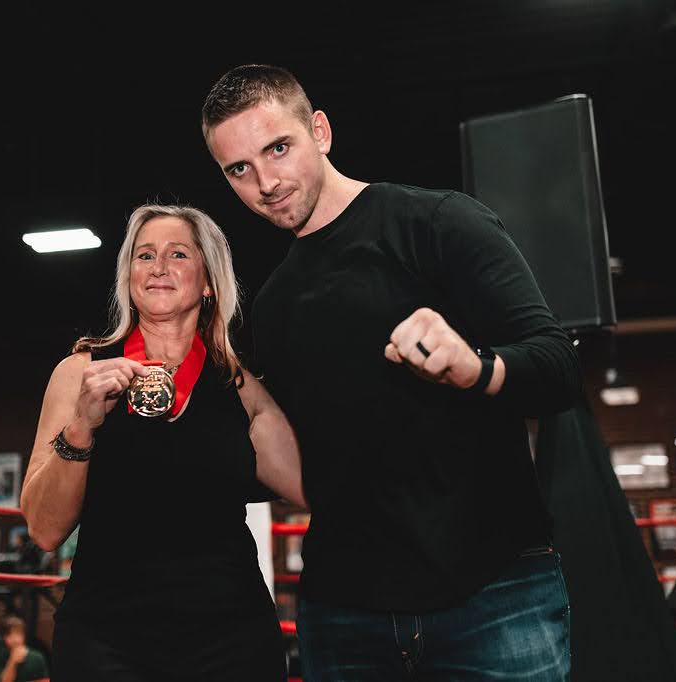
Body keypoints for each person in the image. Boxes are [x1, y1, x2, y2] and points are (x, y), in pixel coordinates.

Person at [202, 64, 582, 680]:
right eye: (239, 169)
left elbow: (558, 365)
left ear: (319, 132)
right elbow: (294, 461)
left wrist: (475, 369)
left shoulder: (438, 223)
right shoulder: (270, 305)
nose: (266, 182)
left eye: (278, 148)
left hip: (493, 593)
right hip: (345, 611)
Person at [21, 204, 305, 680]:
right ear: (128, 275)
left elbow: (316, 487)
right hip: (106, 640)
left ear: (209, 281)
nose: (157, 267)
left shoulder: (241, 389)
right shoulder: (80, 373)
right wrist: (82, 426)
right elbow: (44, 530)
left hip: (230, 639)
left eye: (177, 254)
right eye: (143, 255)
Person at [0, 617, 48, 682]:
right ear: (4, 637)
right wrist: (12, 662)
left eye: (18, 634)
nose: (15, 639)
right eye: (9, 635)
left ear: (24, 635)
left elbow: (45, 680)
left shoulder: (37, 657)